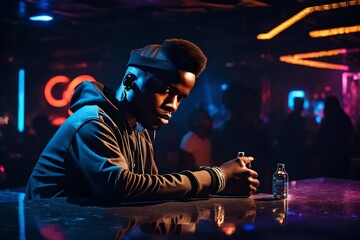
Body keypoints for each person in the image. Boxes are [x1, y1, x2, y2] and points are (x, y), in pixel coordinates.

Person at [25, 38, 259, 202]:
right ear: (129, 81)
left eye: (181, 98)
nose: (173, 105)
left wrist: (223, 186)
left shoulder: (141, 130)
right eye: (166, 90)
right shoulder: (92, 122)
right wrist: (216, 177)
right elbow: (123, 187)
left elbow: (150, 186)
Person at [316, 96, 353, 179]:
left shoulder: (330, 119)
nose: (324, 109)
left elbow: (322, 137)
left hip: (331, 160)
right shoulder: (344, 118)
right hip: (342, 160)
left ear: (330, 106)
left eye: (326, 105)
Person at [278, 97, 307, 180]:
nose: (302, 108)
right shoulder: (296, 120)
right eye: (301, 105)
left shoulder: (290, 119)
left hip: (291, 154)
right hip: (293, 154)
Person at [179, 103, 214, 171]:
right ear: (196, 123)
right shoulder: (189, 139)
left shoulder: (207, 139)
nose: (209, 119)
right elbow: (187, 166)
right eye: (205, 118)